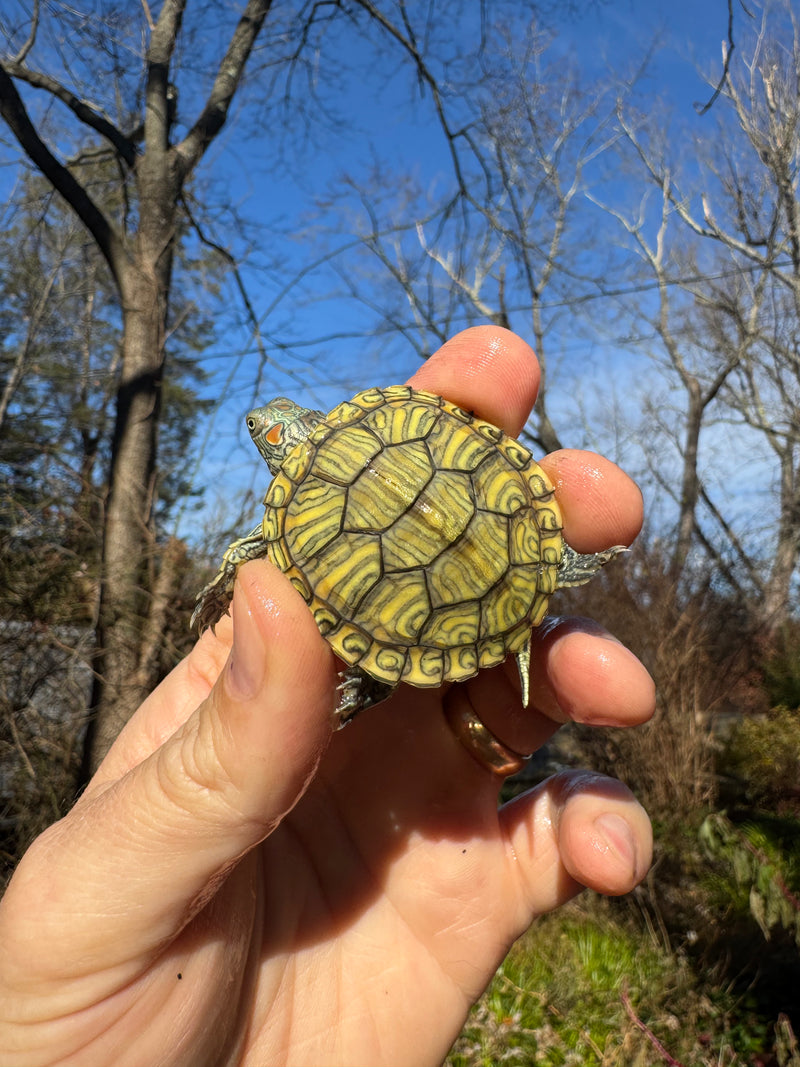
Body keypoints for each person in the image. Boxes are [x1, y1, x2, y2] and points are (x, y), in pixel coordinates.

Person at [0, 326, 655, 1067]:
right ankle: (541, 573)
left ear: (280, 441)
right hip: (499, 535)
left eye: (266, 427)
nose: (263, 430)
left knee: (343, 637)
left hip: (422, 605)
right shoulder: (383, 417)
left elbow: (262, 553)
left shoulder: (298, 506)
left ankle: (387, 676)